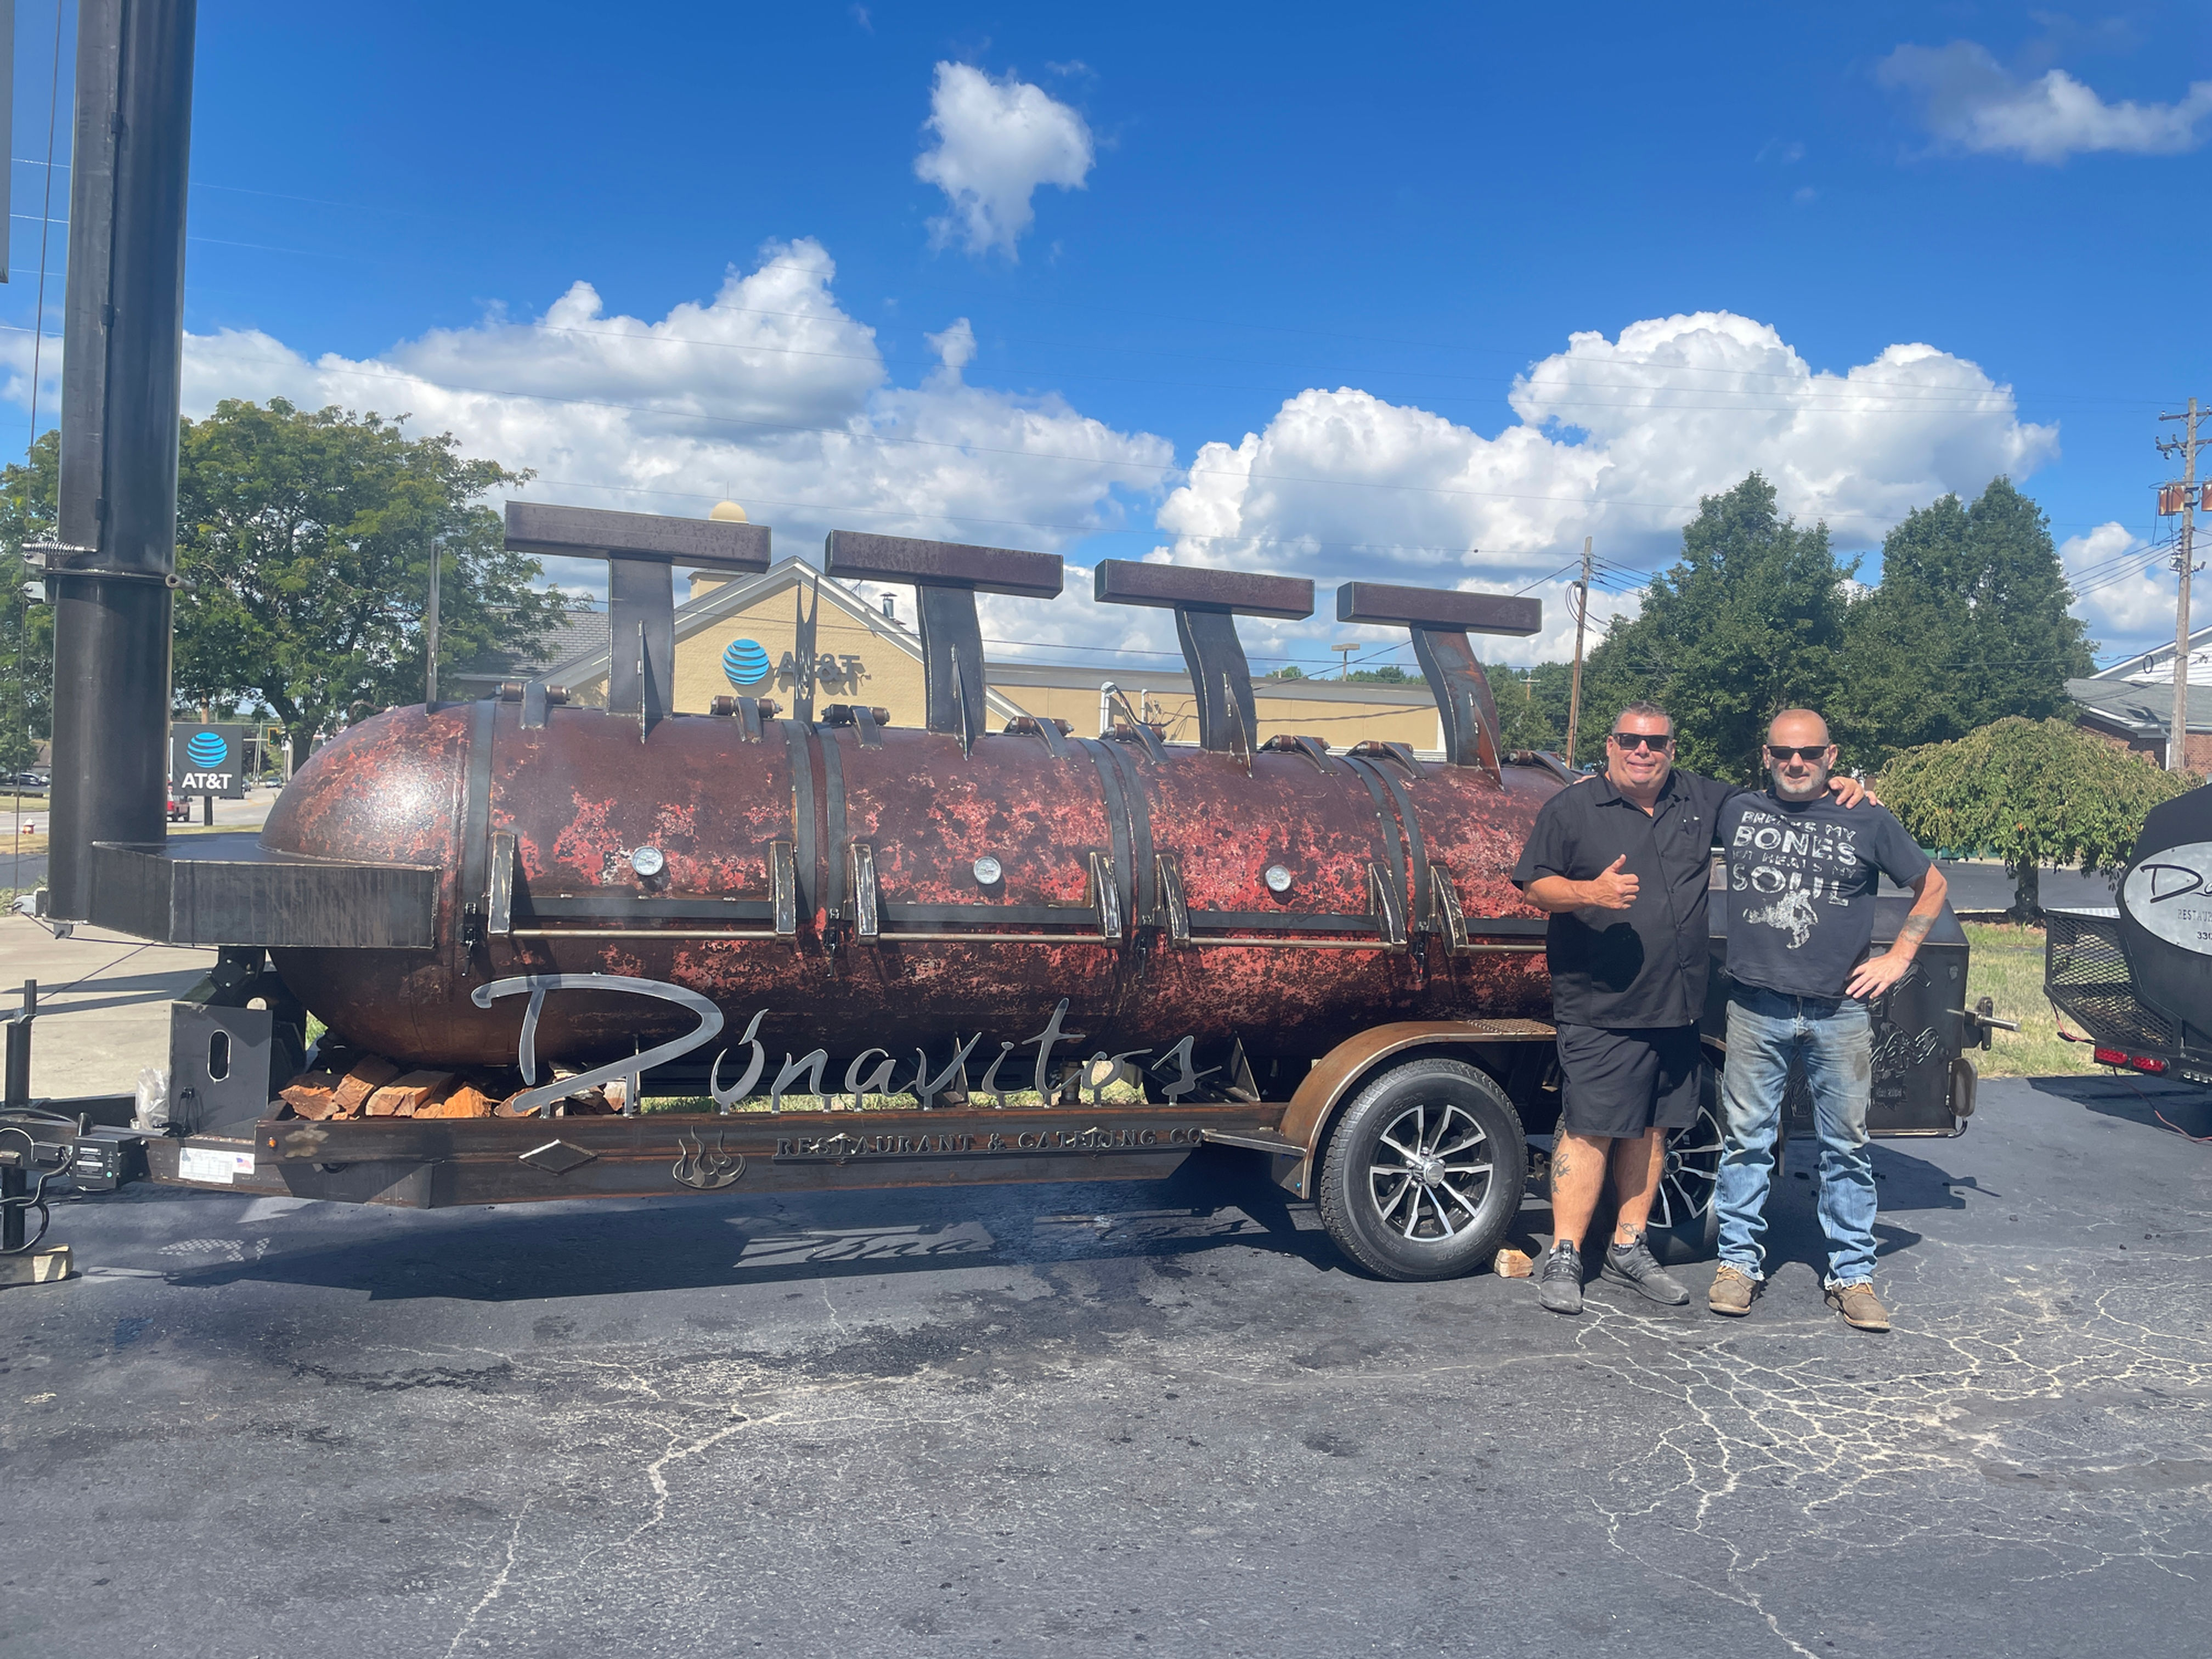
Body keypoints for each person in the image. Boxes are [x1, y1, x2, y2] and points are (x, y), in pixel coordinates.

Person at [1512, 702, 1867, 1316]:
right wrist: (1590, 892)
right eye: (1630, 740)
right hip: (1600, 1004)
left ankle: (1628, 1247)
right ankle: (1565, 1254)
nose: (1642, 751)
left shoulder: (1705, 800)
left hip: (1677, 1005)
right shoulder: (1572, 808)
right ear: (1610, 744)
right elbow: (1534, 884)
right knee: (1590, 1125)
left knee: (1655, 1128)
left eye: (1656, 742)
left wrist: (1843, 788)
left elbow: (1783, 800)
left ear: (1673, 749)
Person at [1707, 709, 1946, 1332]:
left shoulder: (1867, 817)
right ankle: (1737, 1265)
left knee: (1846, 1148)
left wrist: (1899, 957)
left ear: (1831, 756)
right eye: (1785, 753)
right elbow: (1660, 798)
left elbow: (1933, 886)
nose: (1797, 763)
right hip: (1756, 1006)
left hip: (1840, 1011)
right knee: (1747, 1142)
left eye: (1810, 753)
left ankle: (1852, 1276)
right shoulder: (1735, 810)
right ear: (1766, 755)